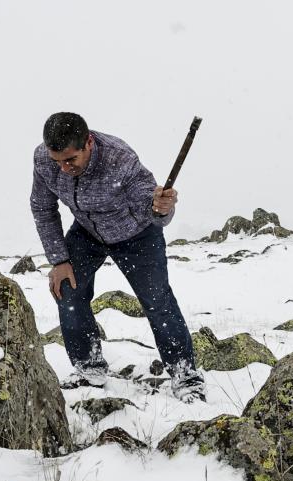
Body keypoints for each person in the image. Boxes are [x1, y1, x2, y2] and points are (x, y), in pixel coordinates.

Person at [30, 111, 205, 402]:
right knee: (67, 289)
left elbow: (154, 210)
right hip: (87, 233)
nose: (63, 168)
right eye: (57, 161)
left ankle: (185, 376)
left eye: (70, 160)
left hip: (137, 235)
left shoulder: (119, 159)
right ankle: (89, 368)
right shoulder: (43, 159)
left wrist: (162, 208)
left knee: (158, 301)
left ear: (88, 142)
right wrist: (59, 260)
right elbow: (42, 207)